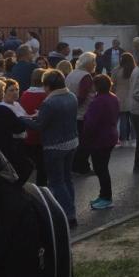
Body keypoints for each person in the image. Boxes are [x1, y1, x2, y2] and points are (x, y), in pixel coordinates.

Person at [25, 70, 80, 227]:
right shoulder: (71, 96)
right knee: (67, 179)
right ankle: (71, 209)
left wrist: (21, 119)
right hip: (72, 142)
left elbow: (39, 126)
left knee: (57, 182)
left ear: (48, 86)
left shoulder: (49, 102)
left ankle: (69, 215)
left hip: (55, 146)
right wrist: (40, 114)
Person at [83, 74, 120, 210]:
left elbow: (91, 123)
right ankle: (103, 195)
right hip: (110, 136)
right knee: (102, 168)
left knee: (101, 169)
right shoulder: (113, 98)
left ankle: (106, 197)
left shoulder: (98, 101)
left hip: (99, 139)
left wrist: (86, 136)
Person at [67, 51, 96, 175]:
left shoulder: (72, 73)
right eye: (93, 62)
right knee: (85, 143)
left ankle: (74, 166)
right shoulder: (86, 76)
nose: (95, 64)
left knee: (77, 141)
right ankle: (82, 167)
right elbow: (83, 96)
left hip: (72, 112)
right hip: (82, 113)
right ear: (88, 63)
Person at [19, 68, 49, 186]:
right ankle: (42, 187)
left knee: (29, 162)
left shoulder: (25, 94)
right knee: (42, 164)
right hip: (42, 134)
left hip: (28, 132)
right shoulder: (46, 95)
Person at [113, 52, 136, 147]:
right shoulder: (134, 70)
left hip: (119, 96)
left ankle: (123, 140)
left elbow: (113, 83)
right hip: (132, 96)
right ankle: (134, 139)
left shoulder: (117, 70)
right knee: (133, 120)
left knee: (122, 120)